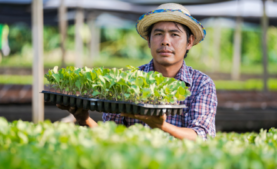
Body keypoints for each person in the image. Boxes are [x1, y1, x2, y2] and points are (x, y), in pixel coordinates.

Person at [57, 3, 217, 141]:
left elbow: (202, 136)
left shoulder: (201, 84)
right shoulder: (125, 81)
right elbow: (110, 137)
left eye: (175, 34)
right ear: (148, 41)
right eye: (158, 34)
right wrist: (84, 120)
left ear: (189, 42)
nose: (166, 41)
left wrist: (161, 126)